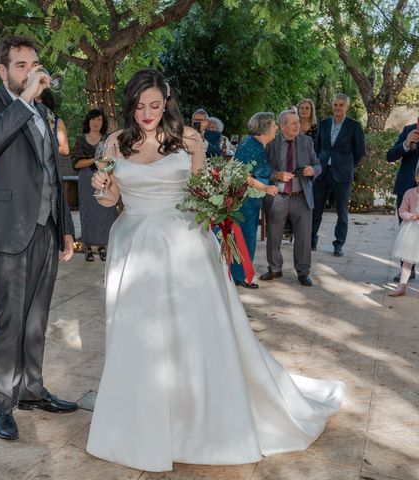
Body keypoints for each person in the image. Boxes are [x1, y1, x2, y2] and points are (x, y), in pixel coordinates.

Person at [86, 69, 343, 471]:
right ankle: (138, 426)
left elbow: (200, 192)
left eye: (154, 105)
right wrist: (103, 187)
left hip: (183, 243)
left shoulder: (188, 138)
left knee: (193, 334)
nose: (147, 114)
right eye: (139, 106)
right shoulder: (116, 143)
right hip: (133, 246)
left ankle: (197, 423)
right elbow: (111, 199)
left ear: (166, 102)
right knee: (136, 335)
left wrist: (205, 172)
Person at [0, 34, 77, 442]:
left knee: (36, 319)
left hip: (45, 228)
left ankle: (31, 390)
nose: (31, 72)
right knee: (9, 319)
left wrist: (65, 228)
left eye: (34, 65)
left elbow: (52, 170)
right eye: (20, 66)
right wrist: (24, 99)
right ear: (3, 70)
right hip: (5, 230)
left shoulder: (44, 112)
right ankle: (1, 403)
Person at [260, 110, 321, 287]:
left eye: (298, 122)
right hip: (278, 195)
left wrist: (313, 171)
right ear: (282, 126)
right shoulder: (271, 143)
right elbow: (263, 170)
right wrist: (277, 175)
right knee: (273, 234)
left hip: (301, 196)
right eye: (293, 123)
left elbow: (317, 164)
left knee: (304, 237)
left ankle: (303, 272)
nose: (298, 126)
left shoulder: (306, 141)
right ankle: (274, 268)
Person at [312, 93, 366, 257]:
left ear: (346, 107)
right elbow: (318, 147)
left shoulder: (354, 126)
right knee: (315, 209)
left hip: (342, 174)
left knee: (342, 212)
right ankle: (311, 239)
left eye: (341, 105)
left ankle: (339, 244)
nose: (338, 107)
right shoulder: (324, 124)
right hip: (322, 172)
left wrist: (347, 164)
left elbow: (360, 151)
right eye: (335, 104)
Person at [231, 112, 279, 289]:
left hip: (249, 201)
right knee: (244, 236)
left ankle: (240, 275)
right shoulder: (254, 147)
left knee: (246, 236)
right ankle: (239, 275)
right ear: (265, 128)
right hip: (245, 201)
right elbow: (245, 177)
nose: (276, 128)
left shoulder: (254, 144)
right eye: (274, 125)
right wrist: (266, 188)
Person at [71, 109, 118, 261]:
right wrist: (96, 159)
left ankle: (103, 246)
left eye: (99, 119)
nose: (96, 122)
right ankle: (88, 247)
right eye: (93, 119)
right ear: (88, 121)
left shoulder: (107, 139)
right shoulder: (80, 139)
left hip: (105, 179)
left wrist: (98, 161)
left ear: (103, 122)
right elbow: (77, 163)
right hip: (85, 181)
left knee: (105, 212)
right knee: (87, 214)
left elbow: (112, 160)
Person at [386, 121, 419, 281]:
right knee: (406, 229)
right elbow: (390, 156)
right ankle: (407, 270)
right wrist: (406, 143)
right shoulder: (409, 129)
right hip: (406, 189)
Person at [389, 165, 419, 296]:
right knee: (408, 260)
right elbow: (402, 211)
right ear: (417, 178)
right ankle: (402, 286)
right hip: (412, 230)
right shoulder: (410, 193)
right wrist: (412, 216)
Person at [36, 89, 70, 156]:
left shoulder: (53, 120)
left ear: (45, 101)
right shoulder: (27, 118)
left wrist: (41, 148)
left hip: (48, 164)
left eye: (37, 98)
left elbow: (65, 150)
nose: (34, 101)